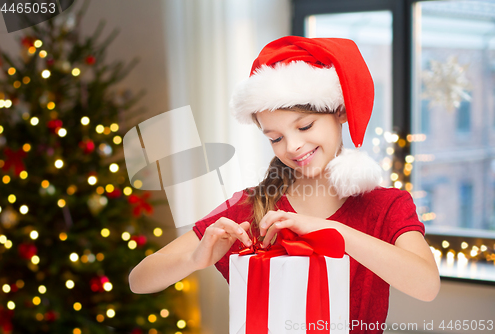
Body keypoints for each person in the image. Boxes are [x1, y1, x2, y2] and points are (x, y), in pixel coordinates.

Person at [129, 36, 440, 333]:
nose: (292, 146)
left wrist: (334, 233)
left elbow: (426, 285)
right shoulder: (252, 207)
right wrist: (193, 259)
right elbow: (139, 280)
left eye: (304, 126)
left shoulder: (385, 206)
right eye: (275, 138)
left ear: (341, 112)